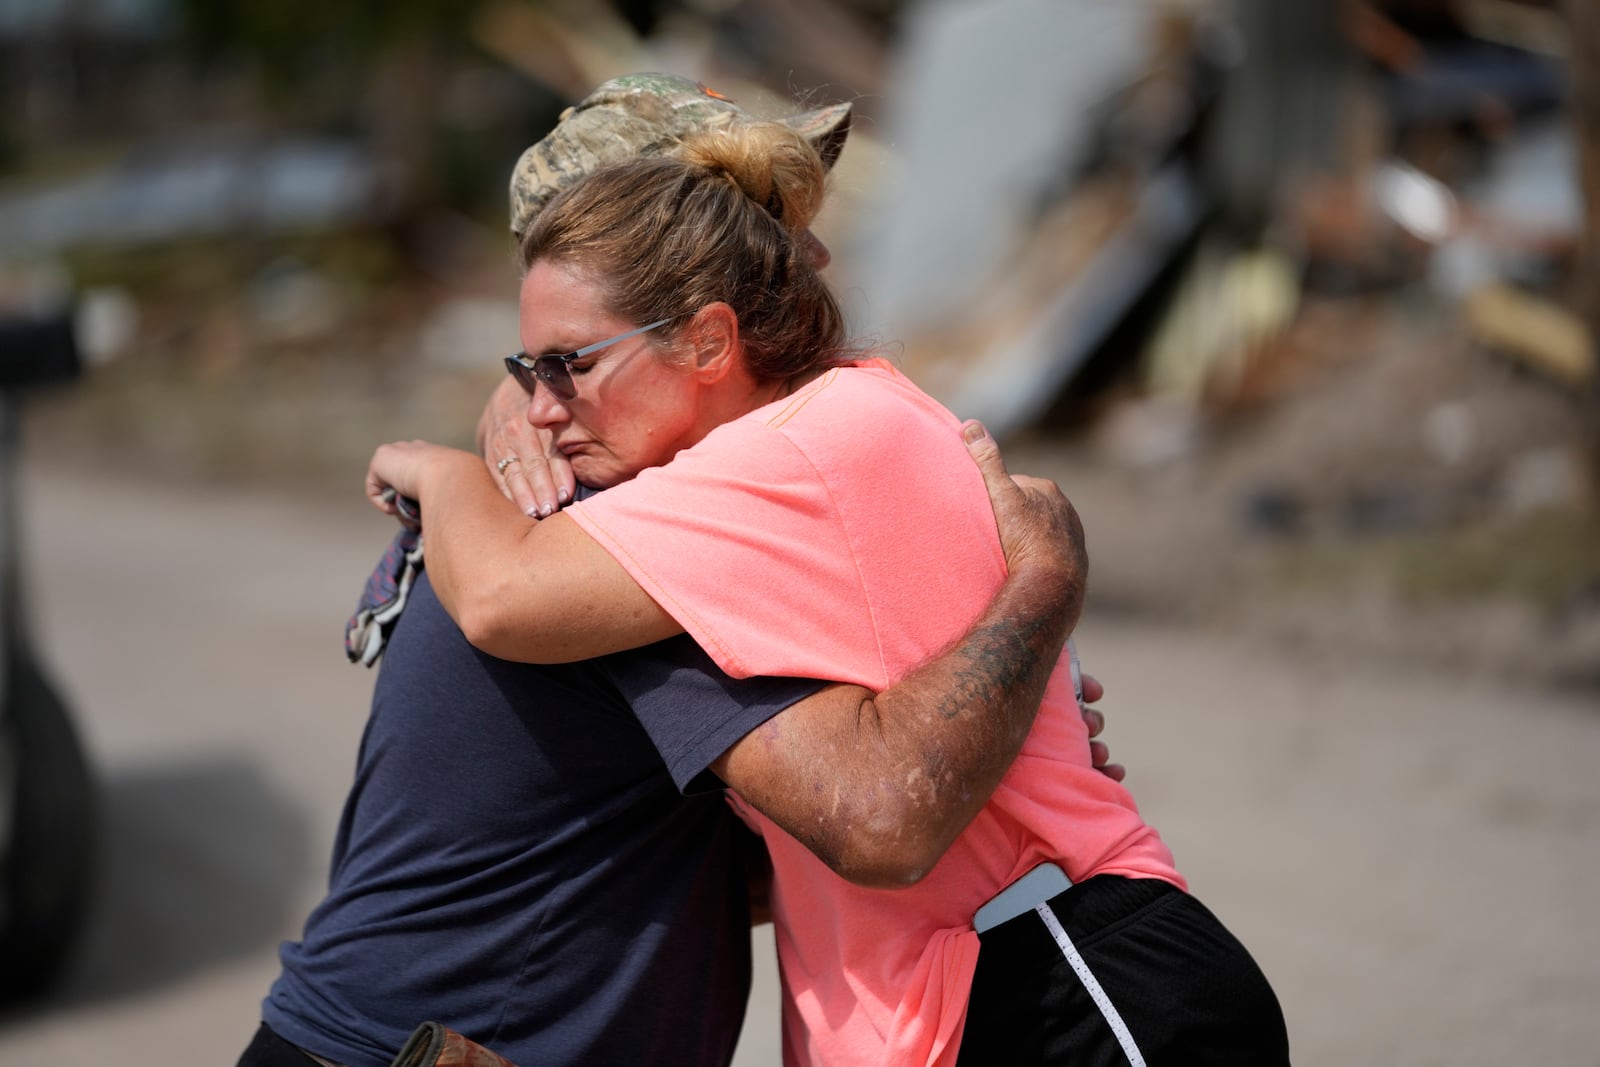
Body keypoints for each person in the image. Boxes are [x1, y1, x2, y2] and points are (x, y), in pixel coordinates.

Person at [366, 117, 1291, 1065]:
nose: (546, 405)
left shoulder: (798, 449)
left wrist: (439, 472)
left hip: (1060, 987)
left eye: (572, 364)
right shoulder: (798, 442)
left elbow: (502, 596)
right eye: (528, 372)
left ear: (710, 337)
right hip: (988, 998)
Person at [240, 76, 1108, 1067]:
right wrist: (1031, 610)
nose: (801, 251)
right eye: (750, 214)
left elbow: (674, 864)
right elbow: (879, 811)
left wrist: (1000, 737)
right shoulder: (605, 534)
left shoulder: (595, 504)